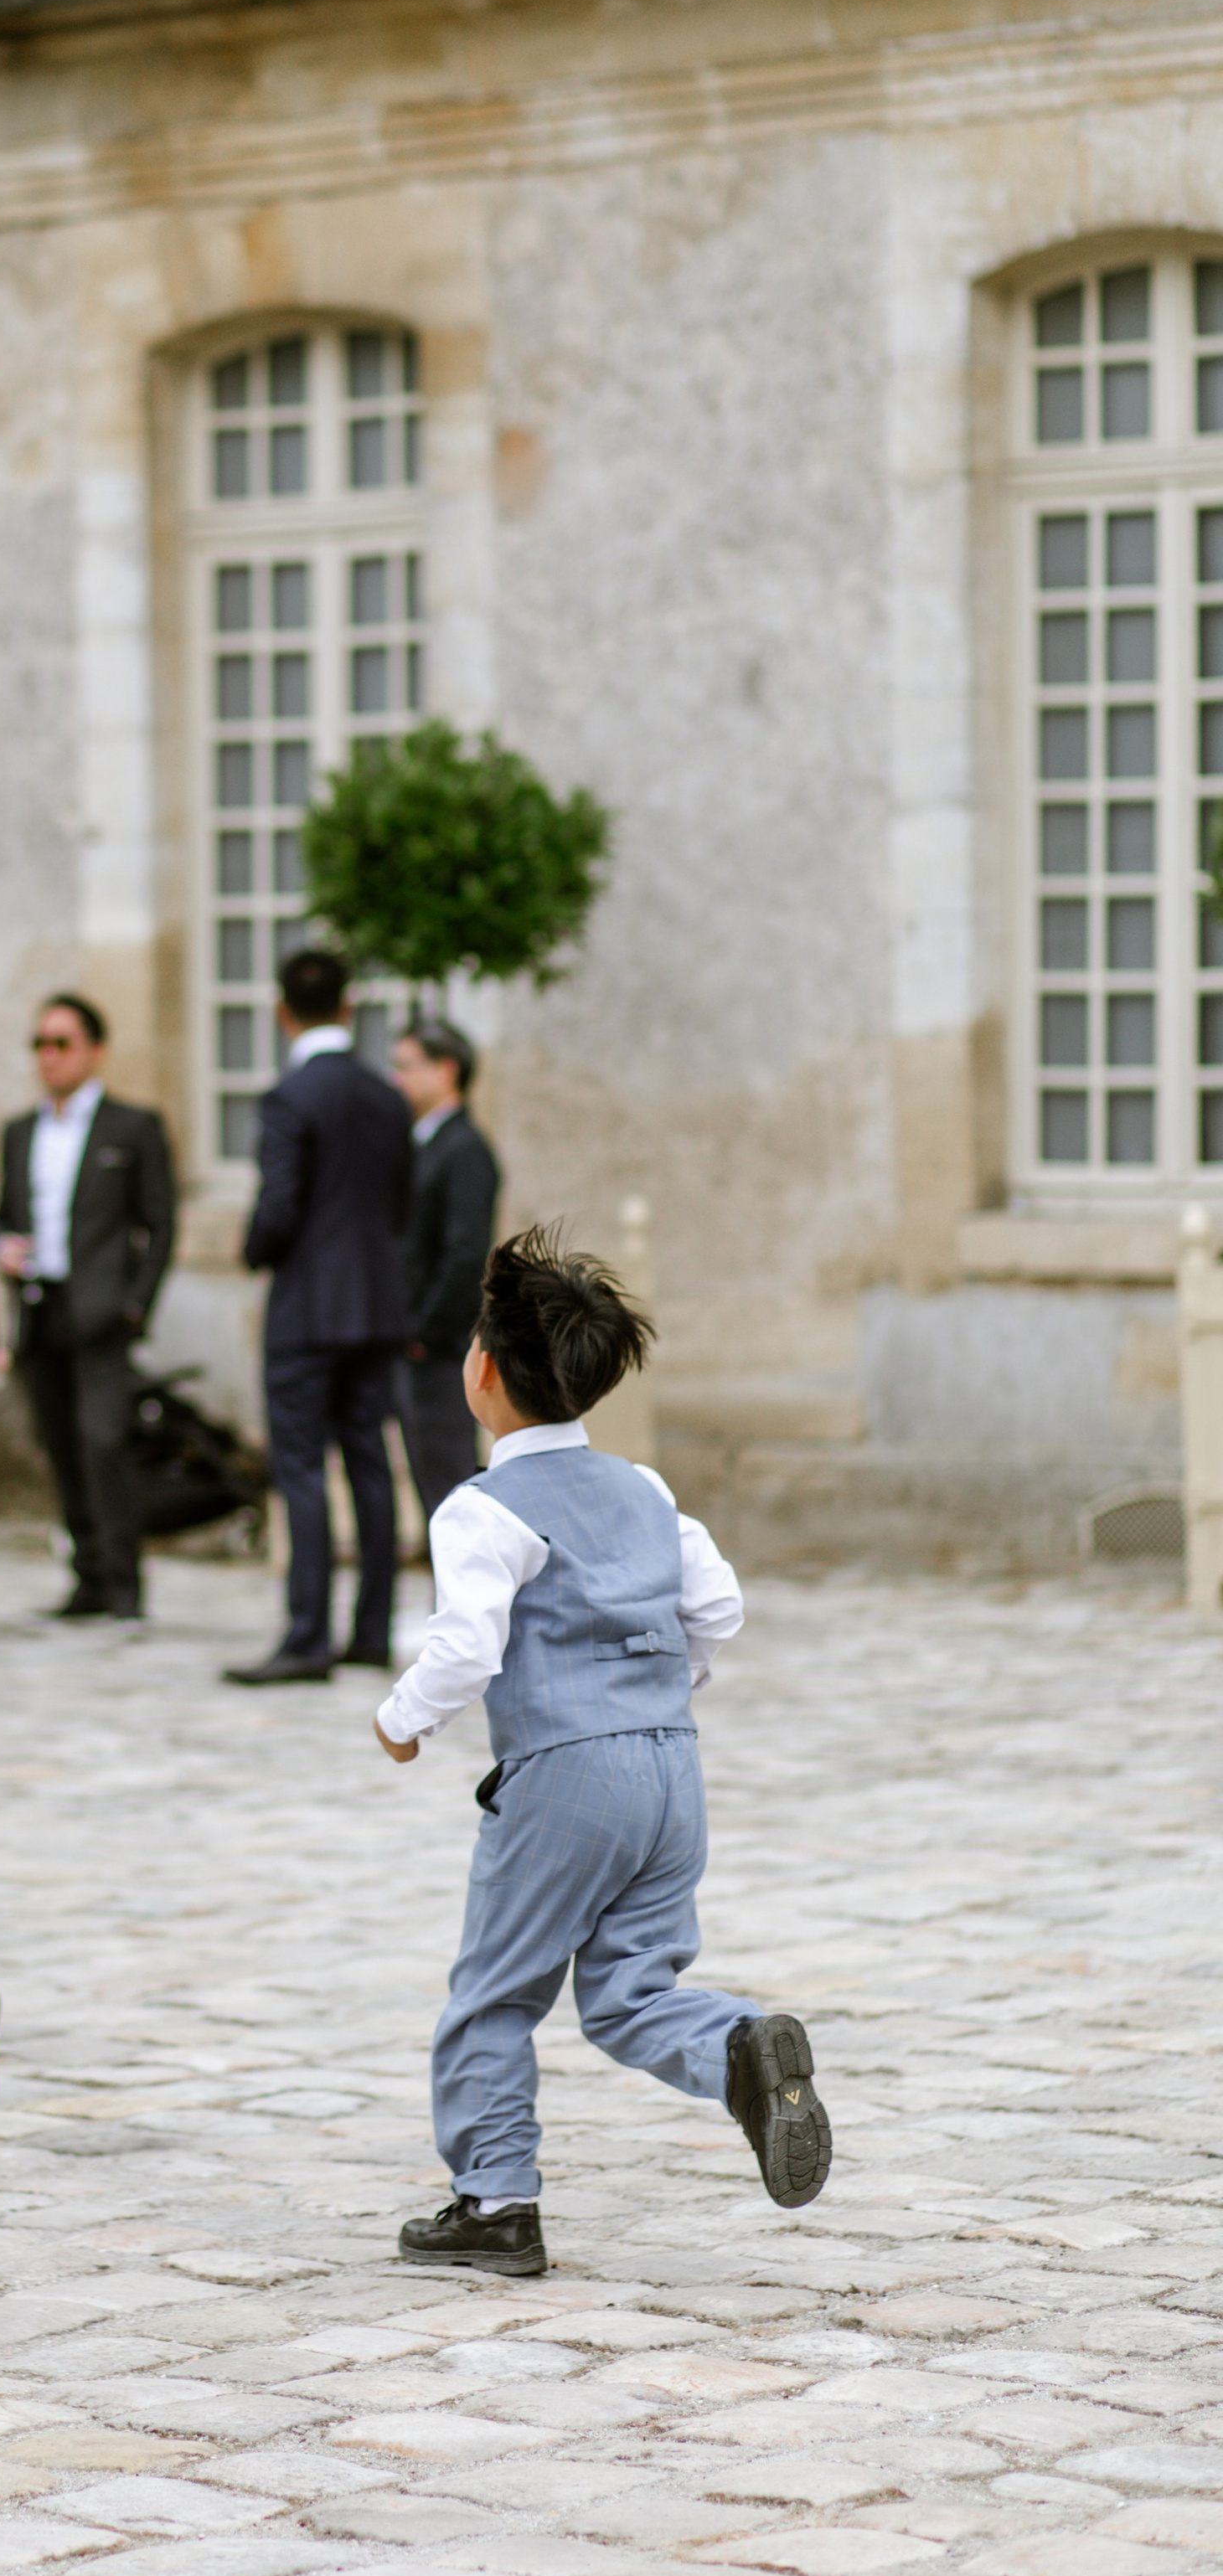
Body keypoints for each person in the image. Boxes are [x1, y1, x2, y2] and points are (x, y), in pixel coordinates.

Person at [375, 1224, 829, 2275]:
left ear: (481, 1372)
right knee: (630, 1992)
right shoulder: (647, 1491)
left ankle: (494, 2203)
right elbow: (716, 1606)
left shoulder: (481, 1509)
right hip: (672, 1769)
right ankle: (738, 2048)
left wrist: (401, 1721)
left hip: (566, 1777)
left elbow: (464, 1645)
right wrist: (665, 1687)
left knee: (494, 1994)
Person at [224, 947, 412, 1687]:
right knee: (368, 1461)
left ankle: (306, 1634)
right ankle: (370, 1631)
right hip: (376, 1304)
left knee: (301, 1469)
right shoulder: (388, 1097)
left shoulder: (289, 1098)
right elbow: (400, 1204)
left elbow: (279, 1209)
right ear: (347, 1008)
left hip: (307, 1308)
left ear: (281, 1011)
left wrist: (252, 1250)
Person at [0, 994, 176, 1621]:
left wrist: (134, 1307)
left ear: (94, 1051)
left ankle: (124, 1583)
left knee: (104, 1444)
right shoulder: (20, 1132)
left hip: (100, 1311)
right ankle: (88, 1577)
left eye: (62, 1043)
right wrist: (3, 1251)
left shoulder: (133, 1126)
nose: (49, 1056)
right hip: (39, 1307)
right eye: (40, 1044)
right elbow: (5, 1218)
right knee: (60, 1445)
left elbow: (160, 1223)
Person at [391, 1019, 503, 1521]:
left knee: (449, 1487)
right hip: (419, 1344)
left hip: (439, 1349)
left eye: (406, 1067)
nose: (398, 1080)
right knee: (430, 1480)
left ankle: (467, 1596)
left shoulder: (464, 1150)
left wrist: (424, 1332)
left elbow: (465, 1255)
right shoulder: (426, 1143)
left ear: (446, 1070)